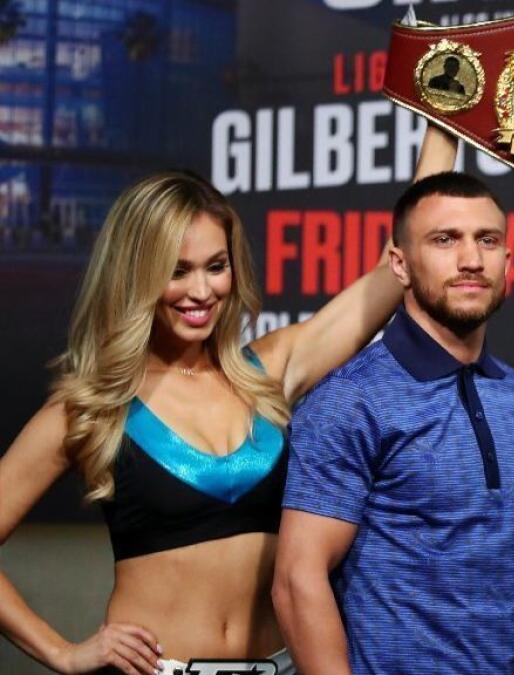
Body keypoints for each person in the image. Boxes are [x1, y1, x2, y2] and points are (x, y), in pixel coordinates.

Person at [0, 128, 458, 674]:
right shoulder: (91, 406)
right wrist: (63, 652)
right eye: (177, 271)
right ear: (136, 275)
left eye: (216, 266)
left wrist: (443, 120)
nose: (202, 292)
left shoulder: (270, 373)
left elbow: (394, 269)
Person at [272, 171, 514, 675]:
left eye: (487, 240)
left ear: (508, 261)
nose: (471, 259)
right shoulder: (350, 398)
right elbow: (298, 580)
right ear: (400, 264)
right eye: (444, 240)